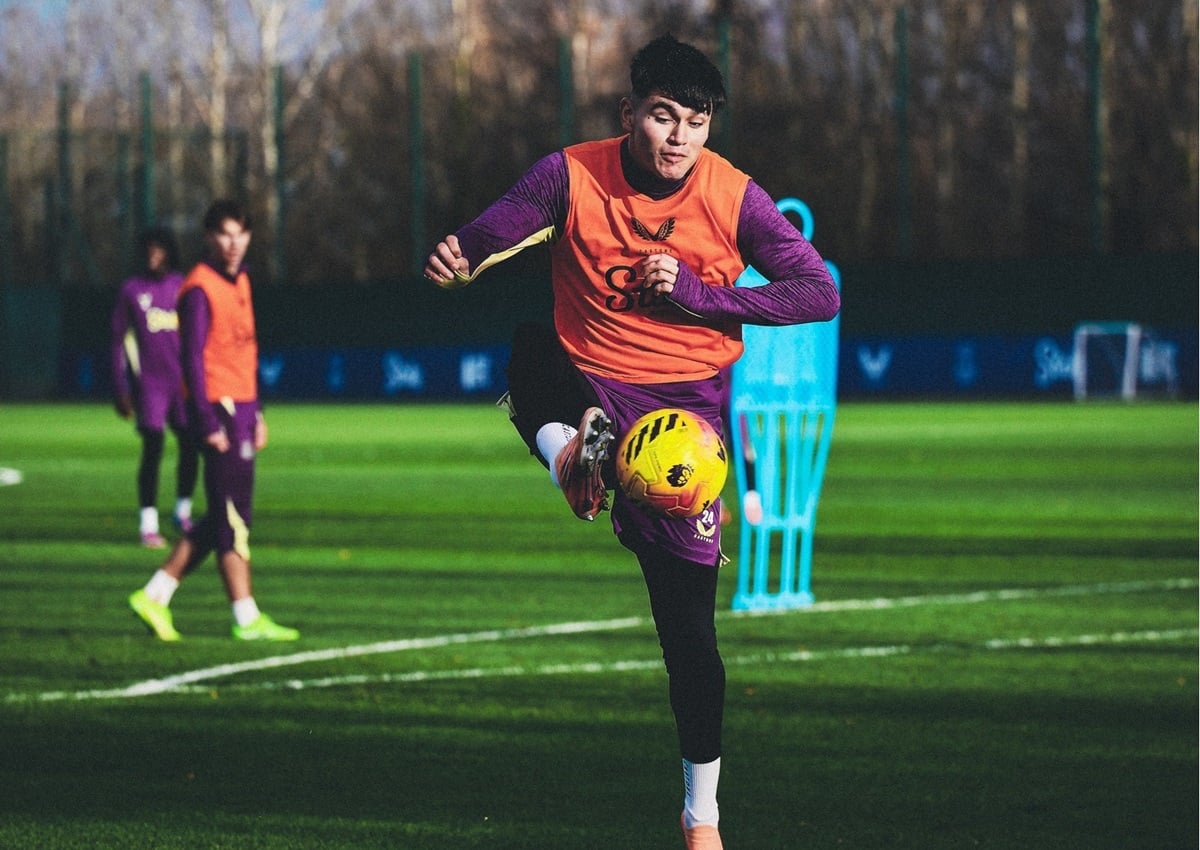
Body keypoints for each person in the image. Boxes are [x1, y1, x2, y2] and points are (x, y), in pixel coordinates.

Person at [425, 34, 839, 850]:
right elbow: (507, 221)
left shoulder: (733, 196)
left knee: (689, 634)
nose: (680, 136)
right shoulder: (573, 172)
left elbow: (818, 290)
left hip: (684, 424)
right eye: (663, 116)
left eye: (697, 120)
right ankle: (574, 457)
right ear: (629, 114)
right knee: (530, 347)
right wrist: (464, 249)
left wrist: (700, 293)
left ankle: (702, 818)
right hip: (591, 381)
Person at [128, 200, 299, 642]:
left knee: (227, 516)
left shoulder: (240, 279)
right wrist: (206, 422)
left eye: (240, 234)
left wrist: (257, 411)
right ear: (209, 237)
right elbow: (192, 363)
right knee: (232, 518)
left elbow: (246, 352)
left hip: (241, 408)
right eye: (224, 234)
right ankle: (246, 618)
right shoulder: (199, 289)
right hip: (217, 411)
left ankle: (155, 594)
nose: (233, 243)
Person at [110, 226, 200, 548]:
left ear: (170, 251)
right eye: (148, 248)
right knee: (154, 446)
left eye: (159, 248)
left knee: (191, 444)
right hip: (150, 383)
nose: (153, 254)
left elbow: (197, 337)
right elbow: (117, 340)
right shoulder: (131, 290)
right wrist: (120, 387)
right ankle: (148, 522)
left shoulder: (183, 286)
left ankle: (182, 512)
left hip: (182, 382)